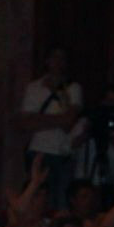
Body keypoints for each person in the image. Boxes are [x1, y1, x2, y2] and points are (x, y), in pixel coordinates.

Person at [18, 46, 82, 208]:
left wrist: (38, 119)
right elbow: (25, 123)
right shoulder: (34, 88)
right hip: (39, 150)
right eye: (54, 58)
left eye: (62, 58)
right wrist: (59, 119)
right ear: (47, 61)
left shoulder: (73, 88)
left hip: (63, 152)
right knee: (39, 200)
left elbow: (69, 121)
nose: (58, 62)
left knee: (61, 201)